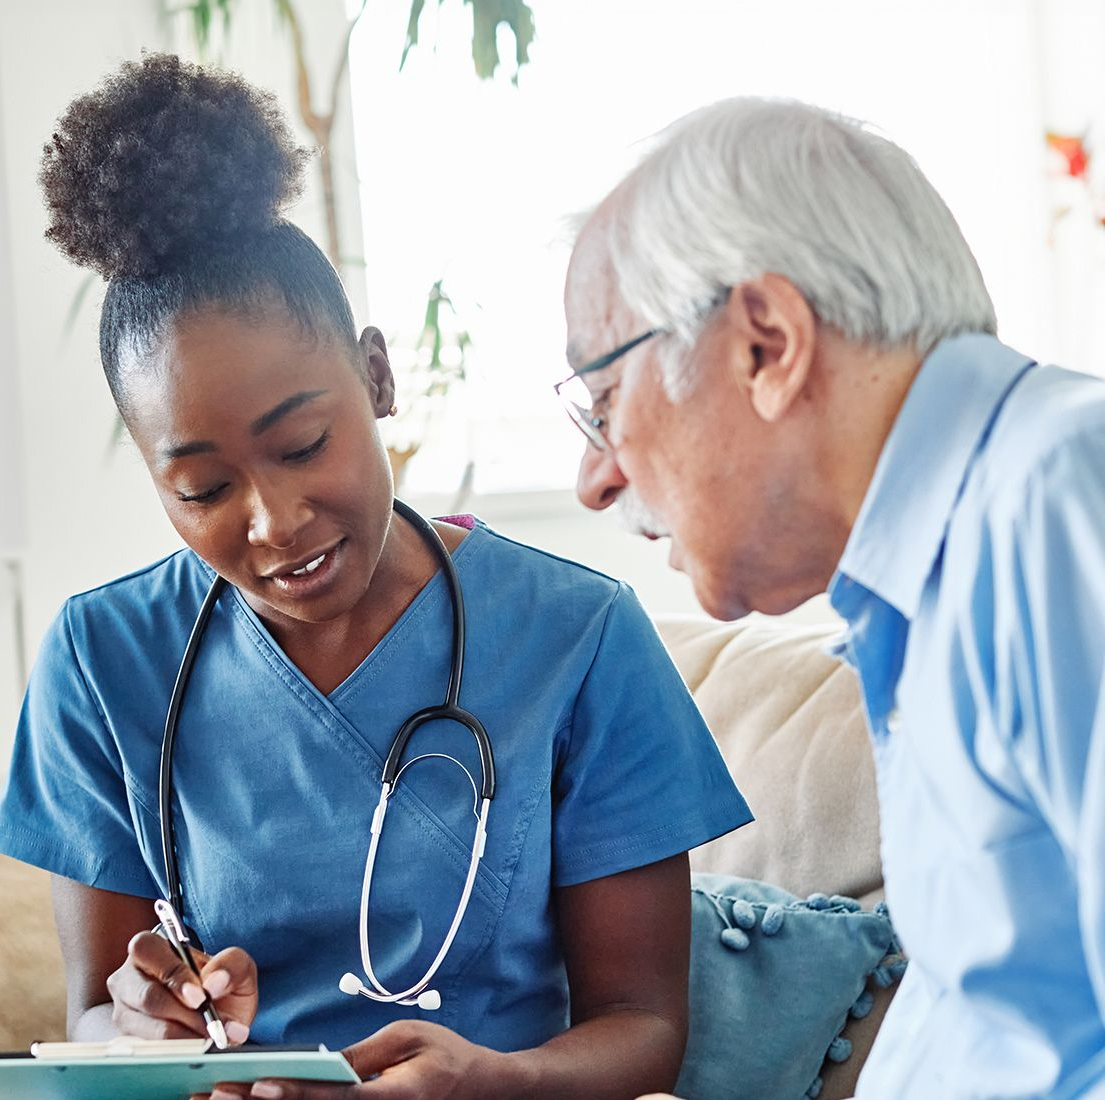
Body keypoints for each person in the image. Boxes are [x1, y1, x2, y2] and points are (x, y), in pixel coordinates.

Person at [0, 55, 753, 1100]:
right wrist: (140, 1020)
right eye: (204, 485)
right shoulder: (100, 656)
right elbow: (92, 1016)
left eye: (304, 443)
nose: (273, 520)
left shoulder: (576, 635)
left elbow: (643, 1022)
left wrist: (490, 1082)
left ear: (378, 377)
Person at [559, 97, 1105, 1099]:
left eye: (602, 406)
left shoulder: (1061, 494)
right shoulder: (921, 595)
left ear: (764, 342)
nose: (592, 480)